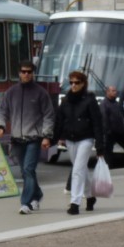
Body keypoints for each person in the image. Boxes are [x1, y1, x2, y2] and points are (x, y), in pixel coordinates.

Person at [0, 60, 55, 215]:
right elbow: (2, 111)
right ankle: (37, 195)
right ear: (19, 73)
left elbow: (49, 115)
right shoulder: (11, 92)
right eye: (23, 71)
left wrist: (47, 136)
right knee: (26, 171)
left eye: (29, 72)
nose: (26, 74)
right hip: (17, 139)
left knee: (28, 169)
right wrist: (0, 126)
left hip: (34, 138)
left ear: (33, 73)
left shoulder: (41, 93)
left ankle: (25, 203)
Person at [53, 71, 106, 215]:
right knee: (80, 169)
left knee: (77, 170)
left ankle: (75, 203)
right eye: (71, 82)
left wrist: (100, 145)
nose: (73, 85)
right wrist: (52, 139)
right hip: (70, 139)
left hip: (86, 139)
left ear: (83, 83)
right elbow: (59, 122)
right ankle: (90, 196)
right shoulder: (65, 101)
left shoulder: (90, 100)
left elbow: (97, 123)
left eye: (77, 82)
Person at [100, 85, 124, 161]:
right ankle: (107, 165)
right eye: (113, 91)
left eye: (115, 91)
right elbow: (104, 118)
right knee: (108, 151)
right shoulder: (104, 104)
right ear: (107, 92)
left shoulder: (116, 103)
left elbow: (121, 115)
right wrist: (107, 131)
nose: (115, 92)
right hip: (111, 132)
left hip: (120, 131)